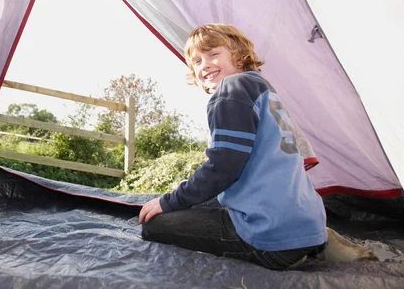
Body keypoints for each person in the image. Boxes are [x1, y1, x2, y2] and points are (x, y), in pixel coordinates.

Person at [138, 23, 328, 270]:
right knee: (204, 202)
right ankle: (314, 244)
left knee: (155, 224)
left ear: (239, 57)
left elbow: (223, 166)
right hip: (309, 226)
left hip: (270, 240)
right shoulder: (262, 88)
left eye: (213, 54)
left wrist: (169, 202)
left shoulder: (232, 90)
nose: (204, 64)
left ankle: (287, 250)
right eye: (196, 61)